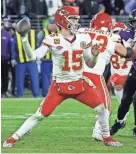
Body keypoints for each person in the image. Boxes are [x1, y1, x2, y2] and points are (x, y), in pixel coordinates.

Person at [3, 6, 123, 148]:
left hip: (79, 83)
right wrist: (23, 39)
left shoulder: (83, 38)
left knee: (102, 109)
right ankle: (13, 138)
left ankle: (106, 138)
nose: (75, 22)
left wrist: (95, 55)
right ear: (62, 21)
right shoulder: (53, 39)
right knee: (39, 115)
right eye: (72, 19)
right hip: (59, 86)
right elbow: (32, 56)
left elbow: (90, 64)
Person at [78, 12, 134, 141]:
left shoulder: (82, 32)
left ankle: (31, 122)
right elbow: (127, 53)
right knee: (105, 107)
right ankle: (98, 132)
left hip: (76, 73)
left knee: (54, 99)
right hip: (95, 75)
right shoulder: (113, 38)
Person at [110, 9, 136, 138]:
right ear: (132, 22)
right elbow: (126, 54)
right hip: (134, 70)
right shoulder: (125, 34)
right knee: (125, 100)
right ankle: (119, 122)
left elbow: (131, 55)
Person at [11, 17, 40, 97]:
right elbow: (13, 47)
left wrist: (38, 57)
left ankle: (36, 95)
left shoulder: (34, 33)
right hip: (20, 61)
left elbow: (38, 46)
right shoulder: (17, 34)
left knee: (35, 80)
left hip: (32, 61)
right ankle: (19, 95)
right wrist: (13, 58)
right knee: (19, 80)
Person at [110, 22, 132, 104]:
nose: (117, 35)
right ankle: (122, 105)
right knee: (117, 81)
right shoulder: (109, 45)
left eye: (118, 32)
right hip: (117, 75)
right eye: (115, 32)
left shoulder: (129, 44)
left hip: (129, 73)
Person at [37, 18, 59, 97]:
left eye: (55, 24)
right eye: (52, 24)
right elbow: (37, 44)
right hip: (45, 60)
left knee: (58, 77)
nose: (54, 26)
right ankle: (46, 94)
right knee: (46, 78)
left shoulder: (60, 32)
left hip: (57, 60)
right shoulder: (42, 33)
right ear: (48, 25)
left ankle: (58, 93)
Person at [1, 18, 12, 97]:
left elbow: (10, 46)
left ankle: (4, 91)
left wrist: (10, 57)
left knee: (5, 76)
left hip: (4, 59)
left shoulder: (7, 34)